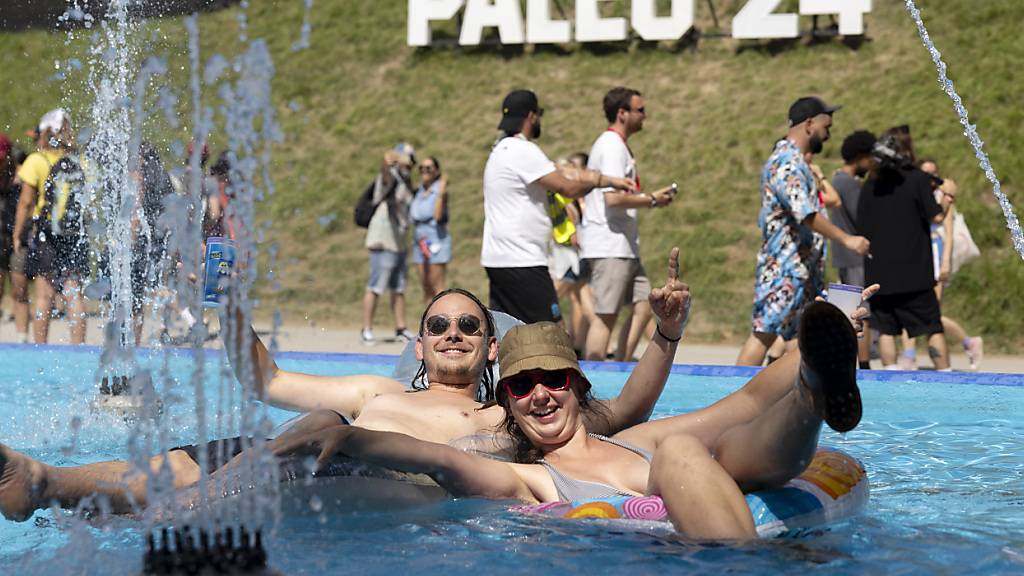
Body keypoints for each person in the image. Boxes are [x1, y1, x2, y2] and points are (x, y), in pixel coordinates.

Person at [0, 248, 689, 521]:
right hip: (298, 451)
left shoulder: (515, 411)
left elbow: (624, 411)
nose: (453, 331)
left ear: (489, 351)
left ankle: (170, 513)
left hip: (384, 481)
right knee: (184, 461)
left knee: (240, 481)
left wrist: (664, 333)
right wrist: (226, 305)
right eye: (439, 323)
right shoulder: (370, 390)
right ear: (418, 343)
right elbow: (264, 378)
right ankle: (44, 483)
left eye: (469, 326)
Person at [274, 294, 869, 541]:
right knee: (685, 455)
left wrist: (830, 323)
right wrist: (353, 437)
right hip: (671, 550)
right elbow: (439, 461)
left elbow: (737, 406)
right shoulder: (528, 477)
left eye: (552, 381)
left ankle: (813, 386)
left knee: (699, 446)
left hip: (710, 490)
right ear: (506, 403)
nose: (539, 395)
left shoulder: (633, 441)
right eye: (522, 387)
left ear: (576, 388)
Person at [481, 89, 636, 325]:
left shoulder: (501, 150)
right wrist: (596, 182)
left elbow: (561, 171)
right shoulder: (523, 150)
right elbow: (568, 188)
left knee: (508, 333)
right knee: (553, 334)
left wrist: (608, 179)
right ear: (532, 117)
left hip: (498, 258)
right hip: (523, 260)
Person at [736, 97, 870, 366]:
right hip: (784, 270)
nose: (829, 135)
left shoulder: (798, 163)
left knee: (801, 338)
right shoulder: (787, 163)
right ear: (809, 124)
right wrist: (846, 239)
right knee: (764, 333)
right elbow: (806, 213)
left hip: (802, 270)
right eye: (826, 127)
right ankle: (734, 399)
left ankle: (797, 402)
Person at [579, 87, 675, 362]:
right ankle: (592, 379)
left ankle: (620, 365)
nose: (645, 115)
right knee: (605, 317)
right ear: (622, 113)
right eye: (640, 110)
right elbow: (612, 199)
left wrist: (649, 199)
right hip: (610, 245)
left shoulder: (619, 146)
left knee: (645, 304)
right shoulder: (610, 146)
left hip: (623, 245)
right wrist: (652, 200)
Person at [857, 126, 956, 370]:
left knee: (887, 330)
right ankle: (945, 375)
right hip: (915, 274)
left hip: (880, 274)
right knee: (932, 326)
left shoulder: (870, 185)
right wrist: (946, 200)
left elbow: (862, 226)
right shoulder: (917, 179)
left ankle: (890, 377)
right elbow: (936, 218)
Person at [13, 109, 88, 345]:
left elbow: (26, 202)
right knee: (73, 291)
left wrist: (17, 234)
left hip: (47, 233)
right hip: (75, 233)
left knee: (44, 293)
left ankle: (40, 346)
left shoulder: (37, 160)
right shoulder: (81, 161)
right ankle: (78, 348)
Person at [918, 158, 983, 369]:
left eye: (933, 173)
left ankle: (968, 343)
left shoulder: (941, 197)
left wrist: (945, 262)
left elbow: (948, 233)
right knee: (920, 311)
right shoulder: (916, 194)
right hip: (919, 256)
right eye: (925, 173)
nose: (930, 178)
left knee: (930, 313)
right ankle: (912, 358)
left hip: (935, 257)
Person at [830, 130, 877, 369]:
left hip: (841, 255)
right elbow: (864, 218)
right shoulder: (849, 184)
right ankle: (864, 364)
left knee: (851, 308)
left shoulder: (835, 179)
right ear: (860, 156)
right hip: (855, 256)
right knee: (862, 311)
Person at [362, 143, 417, 345]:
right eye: (408, 158)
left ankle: (400, 327)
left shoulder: (407, 181)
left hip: (400, 241)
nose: (410, 163)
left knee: (399, 286)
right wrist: (387, 162)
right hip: (383, 239)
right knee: (376, 285)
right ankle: (366, 328)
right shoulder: (390, 177)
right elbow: (384, 173)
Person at [548, 153, 593, 356]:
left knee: (550, 300)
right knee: (582, 301)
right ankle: (580, 344)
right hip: (571, 254)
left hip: (570, 256)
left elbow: (572, 221)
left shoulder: (567, 198)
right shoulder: (571, 197)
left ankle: (567, 344)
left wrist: (573, 232)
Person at [409, 156, 450, 303]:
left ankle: (444, 318)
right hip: (419, 240)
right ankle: (430, 322)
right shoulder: (419, 191)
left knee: (437, 285)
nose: (424, 172)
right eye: (421, 168)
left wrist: (441, 191)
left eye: (428, 168)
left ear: (436, 171)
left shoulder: (440, 190)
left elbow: (438, 216)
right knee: (426, 287)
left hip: (435, 239)